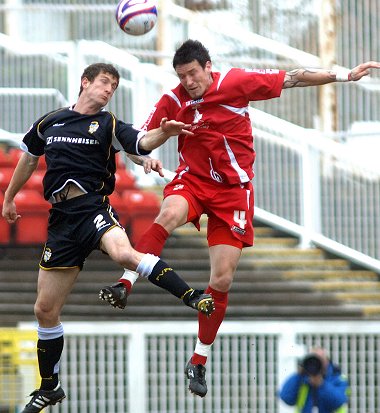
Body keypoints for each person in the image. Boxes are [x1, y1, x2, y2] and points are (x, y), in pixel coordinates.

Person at [100, 39, 380, 397]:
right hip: (194, 181)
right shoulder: (174, 100)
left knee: (223, 278)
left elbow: (292, 78)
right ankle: (125, 284)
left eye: (193, 73)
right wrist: (146, 159)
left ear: (208, 66)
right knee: (168, 212)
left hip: (234, 192)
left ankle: (198, 361)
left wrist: (343, 74)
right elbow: (139, 141)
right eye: (182, 76)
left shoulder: (234, 83)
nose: (188, 82)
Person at [1, 62, 216, 413]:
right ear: (85, 82)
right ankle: (49, 387)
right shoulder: (49, 122)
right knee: (44, 309)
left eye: (113, 87)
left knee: (123, 254)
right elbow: (28, 158)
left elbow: (140, 142)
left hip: (92, 209)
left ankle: (192, 295)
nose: (108, 90)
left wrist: (164, 133)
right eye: (104, 83)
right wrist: (10, 198)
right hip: (61, 221)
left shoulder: (108, 123)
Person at [279, 347, 350, 413]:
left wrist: (321, 384)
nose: (316, 364)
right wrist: (298, 375)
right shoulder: (302, 378)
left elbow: (339, 401)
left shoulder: (338, 378)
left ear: (327, 361)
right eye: (313, 360)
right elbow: (286, 397)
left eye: (320, 359)